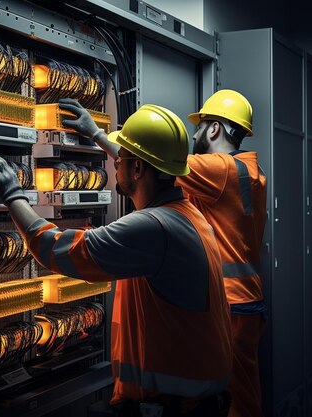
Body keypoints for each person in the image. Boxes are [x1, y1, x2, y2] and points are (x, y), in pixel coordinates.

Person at [0, 104, 232, 417]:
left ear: (137, 169)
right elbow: (142, 162)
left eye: (121, 159)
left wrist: (13, 193)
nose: (115, 166)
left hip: (172, 408)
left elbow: (53, 247)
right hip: (192, 402)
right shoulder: (187, 214)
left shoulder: (154, 228)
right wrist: (98, 135)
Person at [58, 90, 267, 417]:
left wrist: (97, 134)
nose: (195, 135)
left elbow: (151, 162)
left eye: (200, 128)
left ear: (214, 130)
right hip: (243, 300)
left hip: (231, 302)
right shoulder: (249, 172)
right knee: (239, 393)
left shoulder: (220, 169)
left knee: (236, 401)